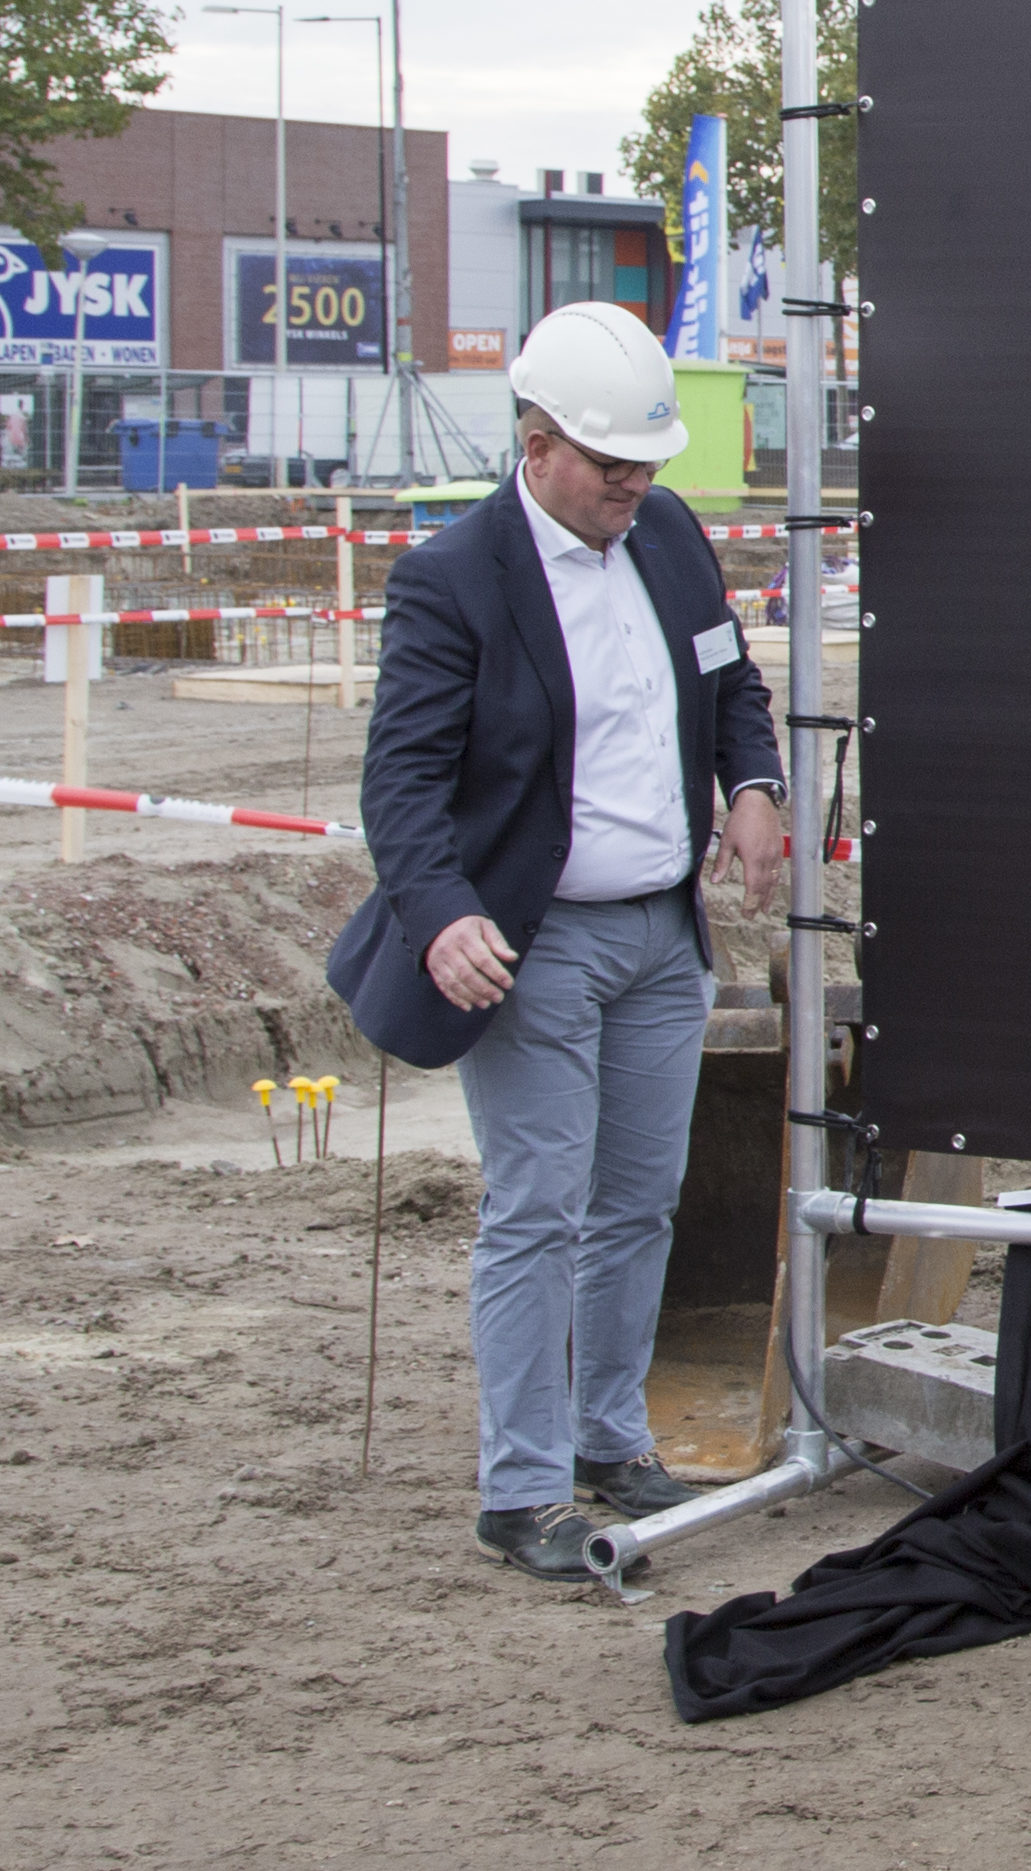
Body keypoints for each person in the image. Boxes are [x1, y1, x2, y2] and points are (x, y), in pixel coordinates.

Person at [325, 300, 787, 1581]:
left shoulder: (672, 539)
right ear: (535, 444)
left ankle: (607, 1433)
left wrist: (753, 788)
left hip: (657, 934)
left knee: (640, 1202)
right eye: (607, 465)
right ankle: (521, 1489)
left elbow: (730, 685)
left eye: (646, 464)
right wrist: (443, 913)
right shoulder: (451, 580)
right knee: (539, 1205)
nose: (632, 486)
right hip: (533, 941)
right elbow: (402, 785)